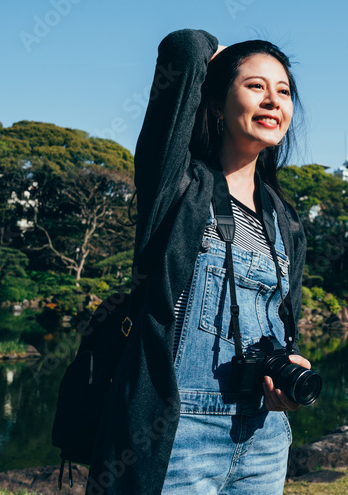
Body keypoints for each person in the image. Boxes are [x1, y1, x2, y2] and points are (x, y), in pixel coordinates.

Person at [87, 29, 308, 494]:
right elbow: (184, 47)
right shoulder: (177, 186)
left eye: (284, 91)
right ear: (215, 101)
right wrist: (223, 55)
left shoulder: (284, 219)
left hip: (266, 437)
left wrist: (288, 369)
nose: (273, 101)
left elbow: (279, 319)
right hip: (179, 435)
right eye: (255, 86)